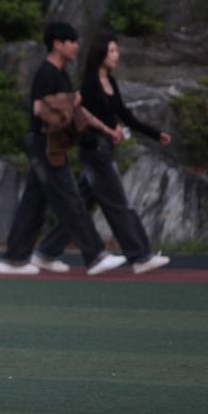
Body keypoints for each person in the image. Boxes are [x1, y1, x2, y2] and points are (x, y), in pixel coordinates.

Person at [31, 35, 171, 275]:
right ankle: (140, 256)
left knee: (80, 207)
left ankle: (45, 252)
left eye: (117, 50)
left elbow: (125, 116)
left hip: (104, 147)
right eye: (112, 51)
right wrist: (95, 139)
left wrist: (155, 134)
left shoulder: (111, 83)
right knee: (118, 203)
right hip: (94, 152)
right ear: (101, 55)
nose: (117, 55)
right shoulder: (89, 85)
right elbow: (78, 118)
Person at [0, 21, 126, 277]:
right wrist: (70, 100)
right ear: (57, 44)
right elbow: (38, 108)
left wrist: (107, 129)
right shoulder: (46, 73)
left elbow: (78, 110)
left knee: (34, 203)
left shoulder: (62, 73)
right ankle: (95, 256)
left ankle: (16, 258)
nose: (76, 46)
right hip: (44, 145)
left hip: (52, 145)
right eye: (71, 41)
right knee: (70, 199)